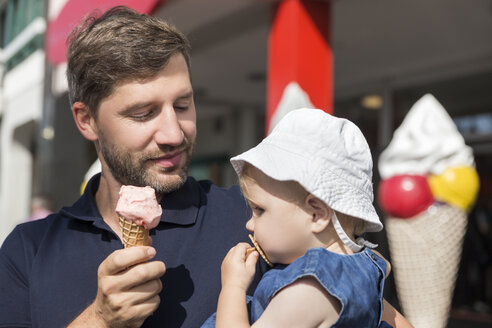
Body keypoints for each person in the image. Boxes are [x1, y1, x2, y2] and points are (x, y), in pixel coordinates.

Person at [0, 6, 410, 328]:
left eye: (182, 105)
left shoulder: (257, 220)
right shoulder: (28, 250)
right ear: (86, 120)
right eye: (143, 114)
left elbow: (378, 313)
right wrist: (101, 320)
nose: (174, 134)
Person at [202, 108, 413, 327]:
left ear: (316, 214)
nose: (249, 223)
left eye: (259, 210)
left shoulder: (307, 292)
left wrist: (232, 288)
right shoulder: (362, 272)